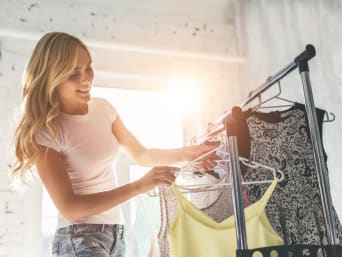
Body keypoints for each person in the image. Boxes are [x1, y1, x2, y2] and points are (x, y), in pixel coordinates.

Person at [12, 32, 218, 257]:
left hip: (115, 235)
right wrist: (139, 186)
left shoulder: (104, 109)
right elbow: (70, 208)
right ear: (52, 76)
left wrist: (188, 153)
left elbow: (142, 154)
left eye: (88, 68)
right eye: (73, 73)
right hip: (79, 238)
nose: (86, 79)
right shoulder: (47, 132)